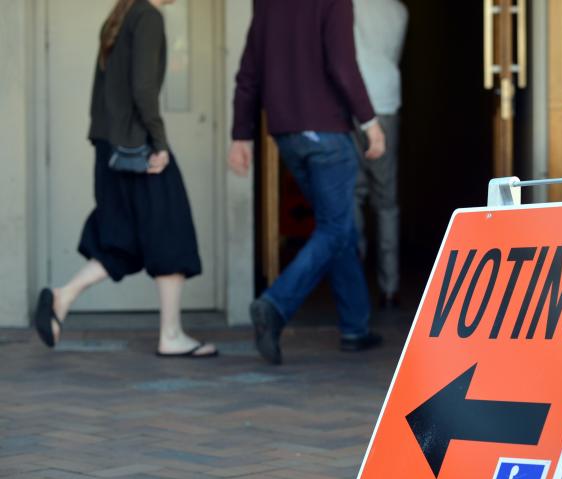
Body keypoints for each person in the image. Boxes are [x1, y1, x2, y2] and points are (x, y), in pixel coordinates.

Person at [34, 0, 217, 359]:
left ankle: (62, 297)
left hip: (110, 146)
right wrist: (159, 144)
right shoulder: (148, 16)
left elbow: (102, 97)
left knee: (122, 238)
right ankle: (171, 334)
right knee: (170, 229)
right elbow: (144, 89)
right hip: (137, 147)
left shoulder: (120, 16)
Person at [229, 0, 387, 365]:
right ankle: (275, 304)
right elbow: (343, 65)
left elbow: (248, 71)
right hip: (327, 131)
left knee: (339, 227)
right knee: (334, 228)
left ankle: (354, 327)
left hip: (287, 133)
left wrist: (241, 134)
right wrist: (370, 122)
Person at [352, 0, 408, 309]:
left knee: (354, 194)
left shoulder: (349, 5)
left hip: (355, 103)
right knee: (387, 201)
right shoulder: (399, 11)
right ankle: (391, 286)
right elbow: (393, 55)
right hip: (387, 100)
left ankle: (355, 285)